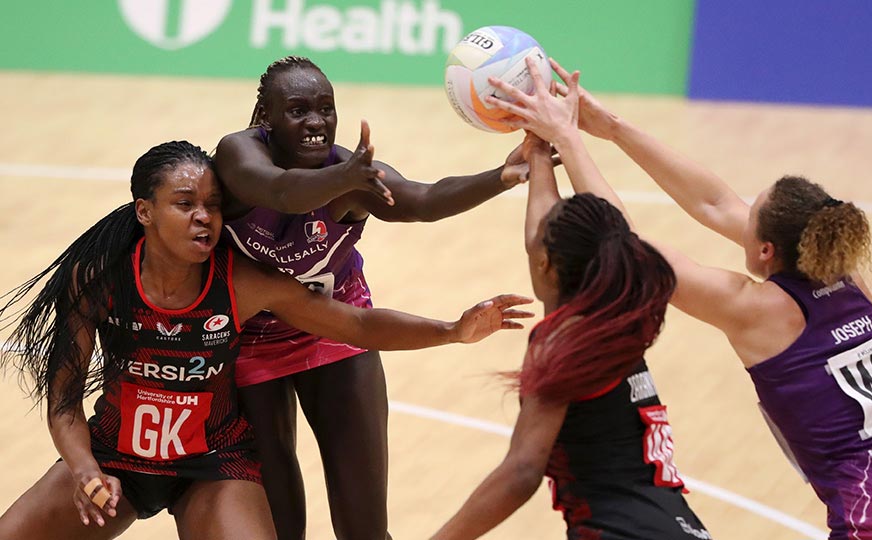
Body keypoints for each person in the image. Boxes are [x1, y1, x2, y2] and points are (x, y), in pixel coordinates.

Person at [487, 56, 872, 539]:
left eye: (752, 212)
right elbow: (715, 203)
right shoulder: (848, 276)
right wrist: (610, 127)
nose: (741, 208)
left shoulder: (757, 310)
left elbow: (624, 245)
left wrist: (568, 138)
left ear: (765, 249)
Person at [0, 141, 532, 540]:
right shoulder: (98, 279)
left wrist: (453, 330)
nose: (204, 217)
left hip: (210, 467)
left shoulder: (241, 281)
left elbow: (357, 326)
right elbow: (65, 402)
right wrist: (86, 471)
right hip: (114, 459)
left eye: (211, 204)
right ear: (145, 212)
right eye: (185, 204)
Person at [213, 55, 539, 540]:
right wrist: (344, 178)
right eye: (298, 110)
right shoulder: (239, 156)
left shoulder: (351, 175)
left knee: (365, 529)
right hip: (247, 343)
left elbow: (424, 199)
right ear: (266, 116)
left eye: (326, 109)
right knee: (279, 526)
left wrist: (501, 175)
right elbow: (282, 191)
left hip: (340, 328)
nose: (316, 123)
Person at [430, 124, 711, 539]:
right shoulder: (618, 309)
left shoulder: (562, 340)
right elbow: (545, 237)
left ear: (546, 264)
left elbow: (523, 471)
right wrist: (539, 151)